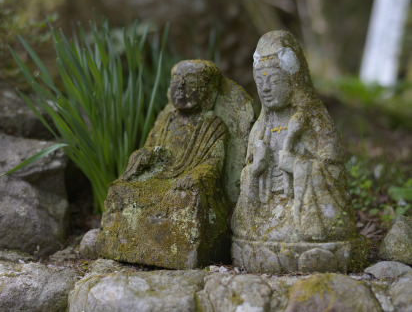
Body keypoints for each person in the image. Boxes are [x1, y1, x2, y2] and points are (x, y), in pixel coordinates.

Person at [231, 30, 362, 273]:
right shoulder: (260, 129)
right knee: (251, 244)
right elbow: (248, 189)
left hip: (305, 219)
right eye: (260, 83)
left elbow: (332, 172)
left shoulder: (316, 122)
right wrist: (254, 171)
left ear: (294, 80)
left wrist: (298, 166)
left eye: (275, 81)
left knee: (315, 249)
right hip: (266, 217)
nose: (266, 89)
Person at [97, 60, 231, 269]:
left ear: (208, 91)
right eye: (176, 81)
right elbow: (150, 148)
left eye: (190, 82)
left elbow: (213, 162)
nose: (181, 87)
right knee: (120, 190)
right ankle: (121, 243)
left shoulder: (212, 126)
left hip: (185, 181)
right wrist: (144, 157)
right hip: (159, 176)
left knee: (186, 198)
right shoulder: (164, 121)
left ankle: (182, 252)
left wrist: (195, 175)